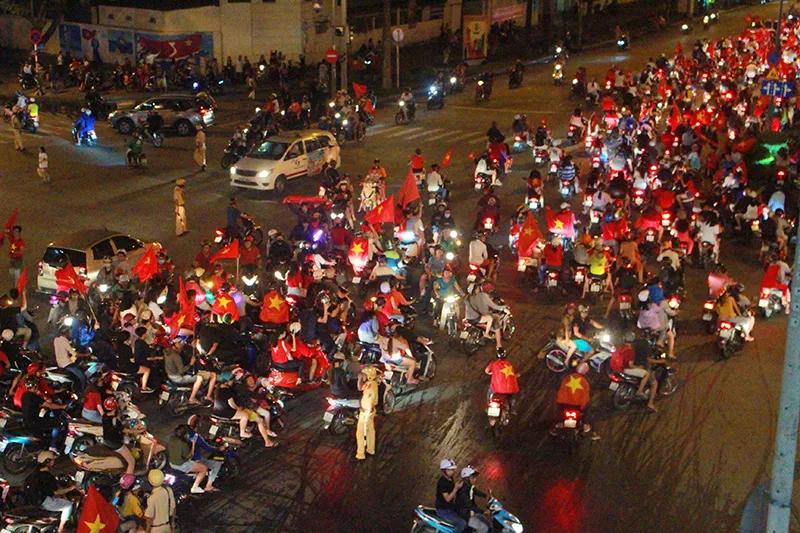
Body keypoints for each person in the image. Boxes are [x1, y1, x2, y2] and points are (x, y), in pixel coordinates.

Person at [23, 451, 77, 533]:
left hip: (33, 498)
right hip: (43, 501)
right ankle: (61, 529)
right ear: (47, 461)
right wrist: (71, 488)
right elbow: (56, 492)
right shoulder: (47, 476)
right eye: (52, 460)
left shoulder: (35, 471)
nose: (53, 461)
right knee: (68, 505)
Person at [164, 336, 216, 406]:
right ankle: (194, 398)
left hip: (170, 374)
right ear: (176, 344)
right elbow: (182, 370)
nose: (182, 344)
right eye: (180, 343)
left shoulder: (167, 351)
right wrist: (191, 364)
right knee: (204, 377)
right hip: (178, 377)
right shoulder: (176, 356)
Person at [167, 424, 214, 494]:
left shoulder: (172, 439)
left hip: (172, 462)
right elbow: (190, 456)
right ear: (184, 434)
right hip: (181, 464)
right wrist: (193, 444)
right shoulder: (183, 445)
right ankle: (195, 487)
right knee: (204, 468)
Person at [555, 362, 597, 435]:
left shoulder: (567, 377)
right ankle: (585, 424)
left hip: (563, 403)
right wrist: (583, 407)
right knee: (588, 407)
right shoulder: (585, 382)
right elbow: (585, 398)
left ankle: (560, 423)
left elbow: (560, 389)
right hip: (577, 406)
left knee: (559, 411)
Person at [464, 283, 506, 349]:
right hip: (476, 318)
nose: (479, 290)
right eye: (477, 289)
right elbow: (492, 307)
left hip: (468, 317)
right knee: (491, 319)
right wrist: (504, 307)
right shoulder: (478, 298)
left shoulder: (467, 297)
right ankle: (492, 339)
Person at [103, 396, 137, 474]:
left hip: (106, 440)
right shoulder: (115, 420)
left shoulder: (105, 416)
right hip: (115, 442)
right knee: (132, 462)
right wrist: (136, 431)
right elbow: (124, 430)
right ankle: (127, 479)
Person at [455, 466, 492, 533]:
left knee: (487, 522)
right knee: (484, 528)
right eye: (473, 477)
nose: (475, 479)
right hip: (464, 515)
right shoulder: (463, 491)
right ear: (467, 478)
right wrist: (483, 511)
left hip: (469, 512)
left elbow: (475, 491)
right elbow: (469, 506)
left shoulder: (469, 486)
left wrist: (486, 496)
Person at [354, 365, 379, 461]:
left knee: (360, 433)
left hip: (366, 412)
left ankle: (360, 454)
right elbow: (360, 388)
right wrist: (360, 378)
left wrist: (366, 414)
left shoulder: (370, 387)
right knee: (370, 431)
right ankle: (370, 450)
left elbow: (369, 401)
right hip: (369, 411)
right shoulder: (372, 384)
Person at [435, 458, 466, 533]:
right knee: (461, 524)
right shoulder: (442, 482)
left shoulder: (450, 478)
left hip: (450, 508)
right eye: (450, 470)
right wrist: (456, 488)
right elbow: (447, 499)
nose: (452, 472)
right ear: (444, 471)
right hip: (443, 510)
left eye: (453, 470)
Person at [484, 348, 519, 413]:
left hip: (497, 389)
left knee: (489, 392)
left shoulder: (493, 364)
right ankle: (513, 410)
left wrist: (491, 373)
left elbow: (486, 371)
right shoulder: (509, 364)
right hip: (510, 389)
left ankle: (488, 405)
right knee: (512, 397)